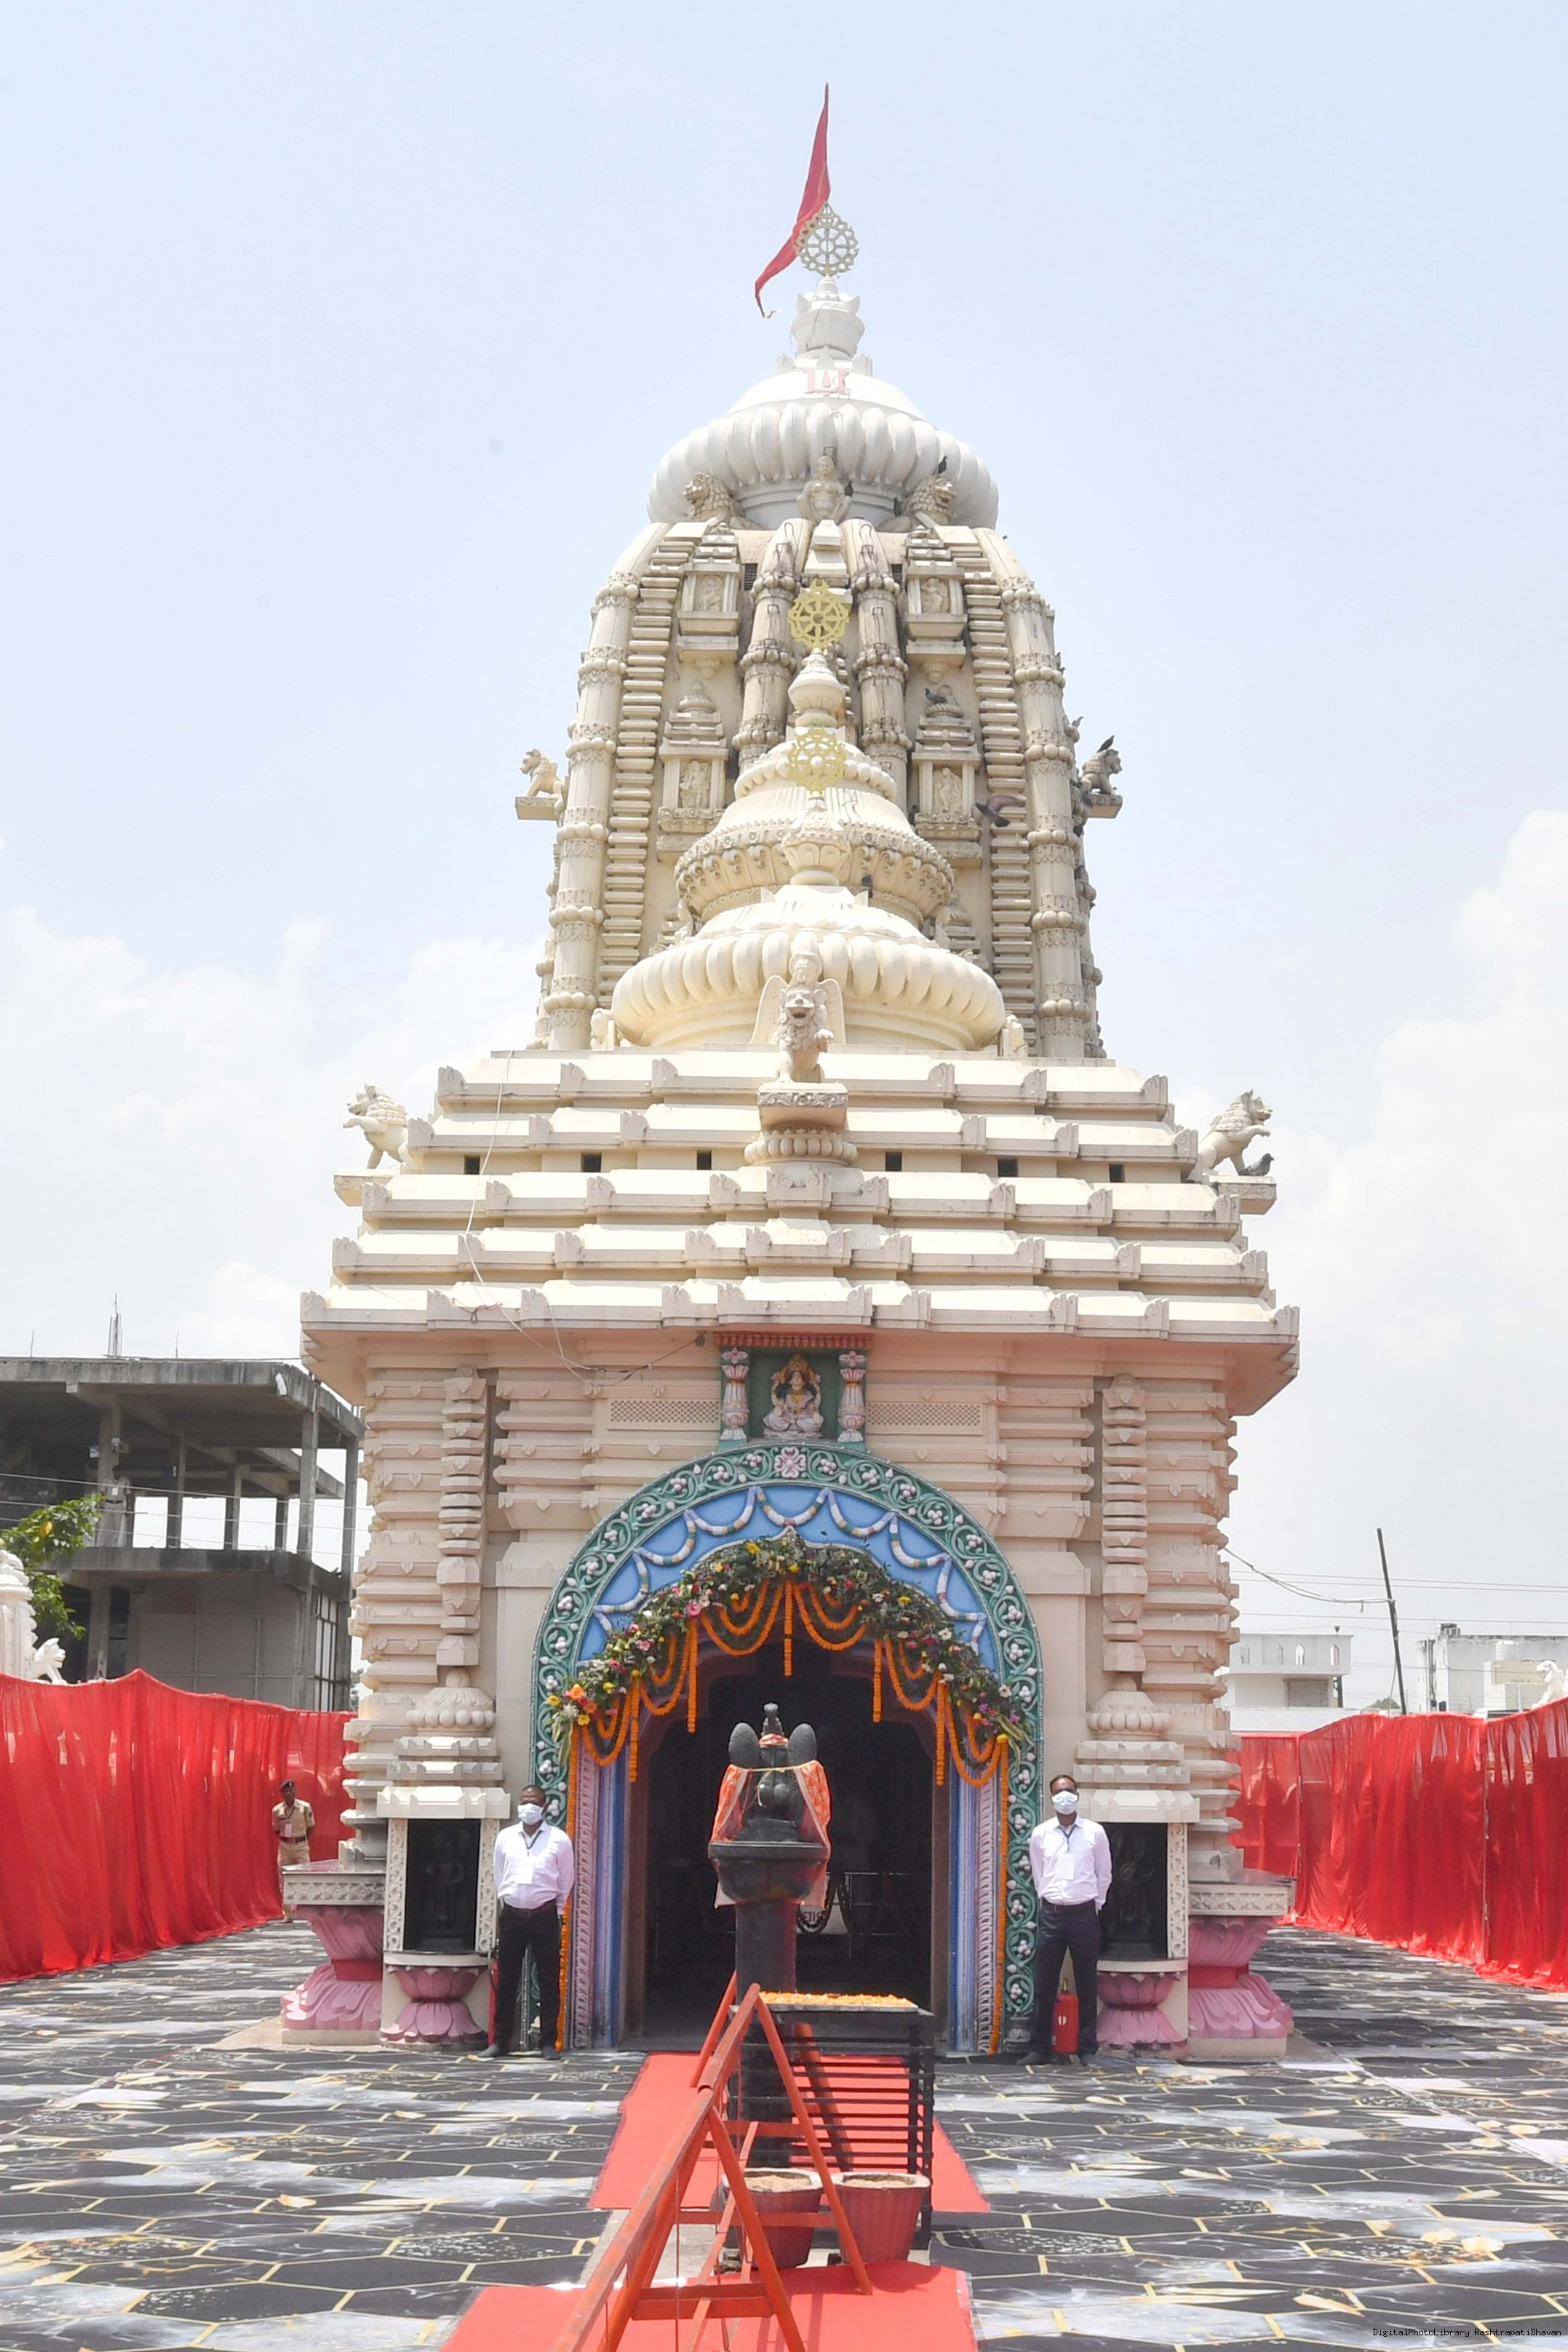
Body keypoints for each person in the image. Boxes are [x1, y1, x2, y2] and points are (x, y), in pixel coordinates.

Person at [482, 1786, 575, 2059]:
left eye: (534, 1802)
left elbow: (566, 1879)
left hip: (544, 1916)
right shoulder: (506, 1837)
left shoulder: (558, 1840)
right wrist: (508, 1902)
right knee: (507, 1979)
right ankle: (501, 2041)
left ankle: (548, 2043)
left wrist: (557, 1910)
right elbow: (499, 1874)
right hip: (512, 1917)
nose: (528, 1807)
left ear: (544, 1807)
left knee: (548, 1980)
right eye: (524, 1802)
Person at [1024, 1773, 1112, 2064]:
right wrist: (1048, 1898)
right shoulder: (1041, 1834)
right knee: (1044, 1982)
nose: (1065, 1796)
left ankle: (1087, 2048)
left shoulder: (1094, 1833)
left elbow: (1104, 1873)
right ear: (1052, 1798)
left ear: (1077, 1795)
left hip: (1084, 1914)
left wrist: (1096, 1904)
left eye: (1070, 1790)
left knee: (1086, 1982)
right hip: (1053, 1914)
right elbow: (1038, 1873)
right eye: (1059, 1791)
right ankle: (1039, 2047)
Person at [271, 1779, 314, 1917]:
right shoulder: (277, 1810)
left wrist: (302, 1839)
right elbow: (276, 1829)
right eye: (286, 1791)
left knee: (305, 1876)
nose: (289, 1793)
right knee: (284, 1878)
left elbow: (311, 1826)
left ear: (295, 1791)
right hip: (285, 1846)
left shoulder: (304, 1807)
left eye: (291, 1790)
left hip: (301, 1845)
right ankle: (288, 1913)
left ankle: (306, 1912)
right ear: (282, 1793)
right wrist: (287, 1839)